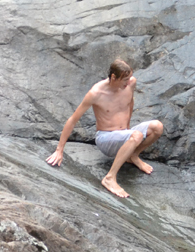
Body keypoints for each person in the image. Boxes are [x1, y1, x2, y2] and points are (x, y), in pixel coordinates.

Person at [46, 59, 164, 198]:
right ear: (113, 77)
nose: (128, 82)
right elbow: (72, 120)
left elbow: (130, 103)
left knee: (157, 127)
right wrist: (59, 150)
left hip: (124, 134)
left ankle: (132, 156)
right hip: (106, 138)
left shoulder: (131, 83)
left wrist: (127, 128)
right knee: (136, 135)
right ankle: (109, 178)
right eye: (124, 80)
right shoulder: (96, 93)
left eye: (129, 78)